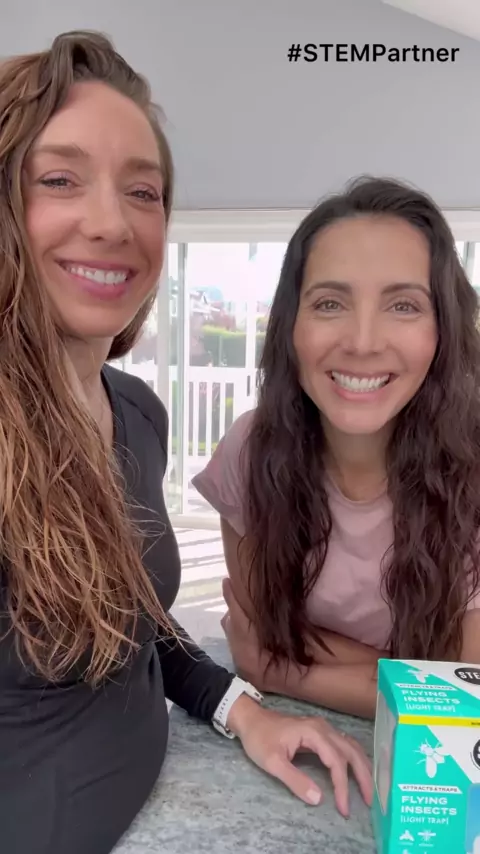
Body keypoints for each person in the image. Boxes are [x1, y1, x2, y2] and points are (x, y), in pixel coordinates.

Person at [0, 30, 373, 854]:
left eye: (144, 191)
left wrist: (240, 709)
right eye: (59, 179)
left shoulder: (136, 414)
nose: (112, 223)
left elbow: (138, 625)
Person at [193, 176, 480, 720]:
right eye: (329, 303)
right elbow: (264, 626)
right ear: (291, 326)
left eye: (403, 306)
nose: (363, 342)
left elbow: (466, 697)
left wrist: (283, 673)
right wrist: (414, 670)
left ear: (442, 331)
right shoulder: (251, 451)